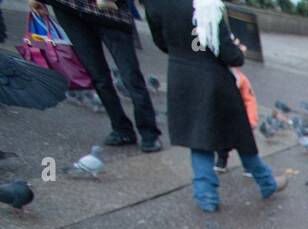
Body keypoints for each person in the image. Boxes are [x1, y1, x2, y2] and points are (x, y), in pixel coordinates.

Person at [145, 0, 287, 212]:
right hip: (213, 79)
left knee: (199, 138)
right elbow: (228, 53)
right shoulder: (206, 5)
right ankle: (267, 182)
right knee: (241, 136)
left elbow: (161, 42)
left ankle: (206, 197)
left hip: (181, 76)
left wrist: (186, 51)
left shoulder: (157, 3)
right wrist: (237, 50)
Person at [29, 0, 161, 151]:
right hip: (69, 9)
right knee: (98, 76)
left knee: (130, 77)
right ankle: (121, 129)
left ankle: (149, 133)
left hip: (110, 12)